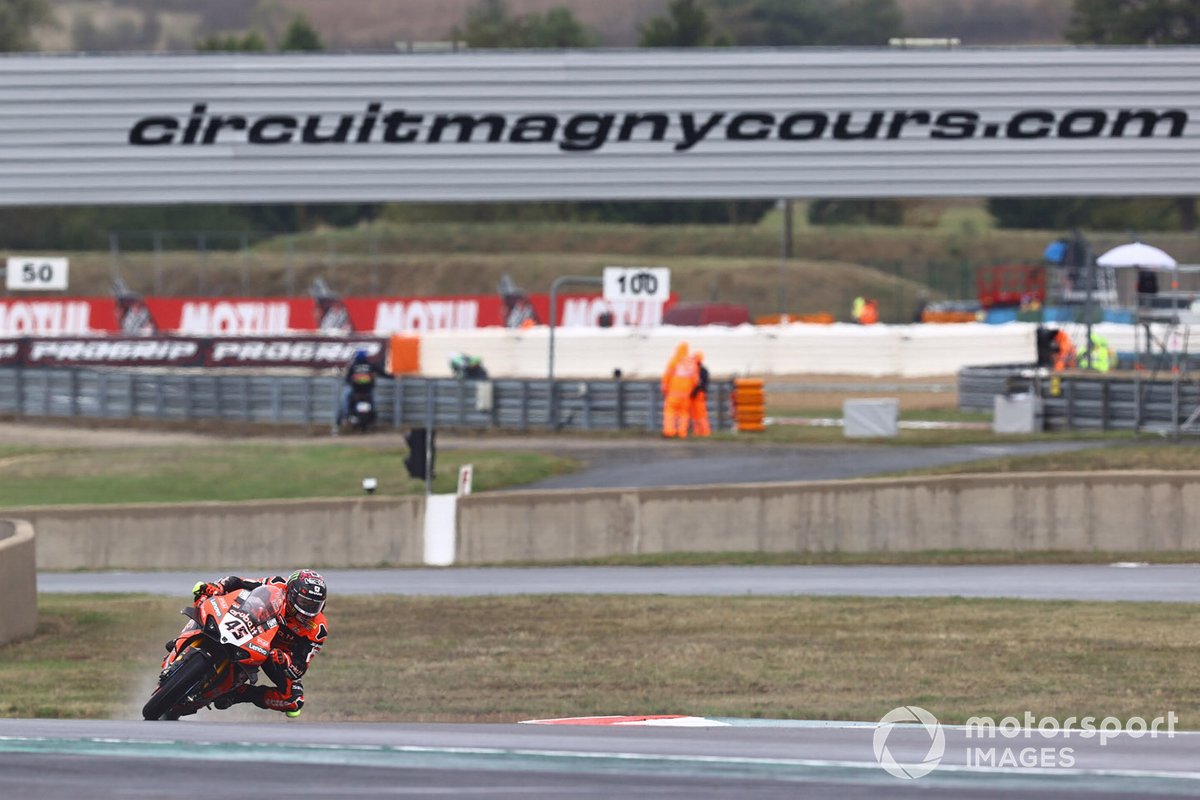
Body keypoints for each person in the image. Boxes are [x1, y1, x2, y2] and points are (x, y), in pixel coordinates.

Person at [191, 569, 329, 718]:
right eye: (304, 602)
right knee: (206, 597)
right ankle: (188, 637)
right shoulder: (276, 584)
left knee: (294, 701)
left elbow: (299, 668)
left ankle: (238, 694)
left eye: (314, 605)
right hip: (251, 626)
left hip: (273, 654)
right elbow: (238, 582)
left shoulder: (317, 629)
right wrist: (218, 587)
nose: (307, 610)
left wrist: (284, 660)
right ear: (291, 593)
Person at [334, 348, 388, 432]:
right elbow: (348, 377)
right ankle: (342, 420)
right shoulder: (357, 365)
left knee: (374, 402)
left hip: (367, 391)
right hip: (356, 391)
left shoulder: (368, 365)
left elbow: (382, 373)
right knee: (344, 402)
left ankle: (372, 419)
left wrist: (392, 376)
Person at [663, 346, 698, 438]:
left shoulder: (674, 361)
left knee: (670, 413)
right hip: (686, 395)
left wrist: (665, 388)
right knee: (684, 414)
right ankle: (682, 433)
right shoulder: (691, 362)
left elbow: (667, 376)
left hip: (673, 394)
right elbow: (695, 380)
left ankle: (669, 432)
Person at [689, 350, 711, 437]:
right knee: (694, 415)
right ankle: (697, 432)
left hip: (699, 395)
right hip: (695, 395)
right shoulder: (697, 369)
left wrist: (694, 392)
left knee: (701, 414)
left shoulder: (702, 371)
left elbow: (701, 384)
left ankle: (705, 431)